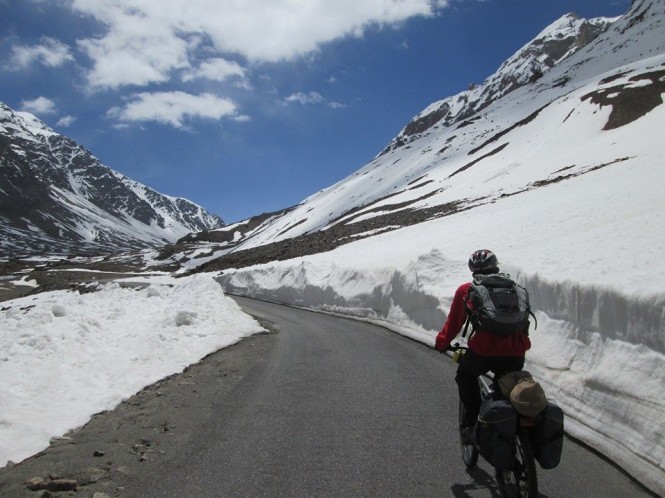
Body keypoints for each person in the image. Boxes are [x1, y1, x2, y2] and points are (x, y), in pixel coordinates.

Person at [435, 249, 531, 434]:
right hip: (516, 352)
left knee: (465, 375)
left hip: (484, 351)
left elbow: (454, 323)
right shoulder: (514, 288)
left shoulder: (468, 290)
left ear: (473, 269)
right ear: (495, 265)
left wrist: (442, 343)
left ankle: (473, 418)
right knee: (508, 386)